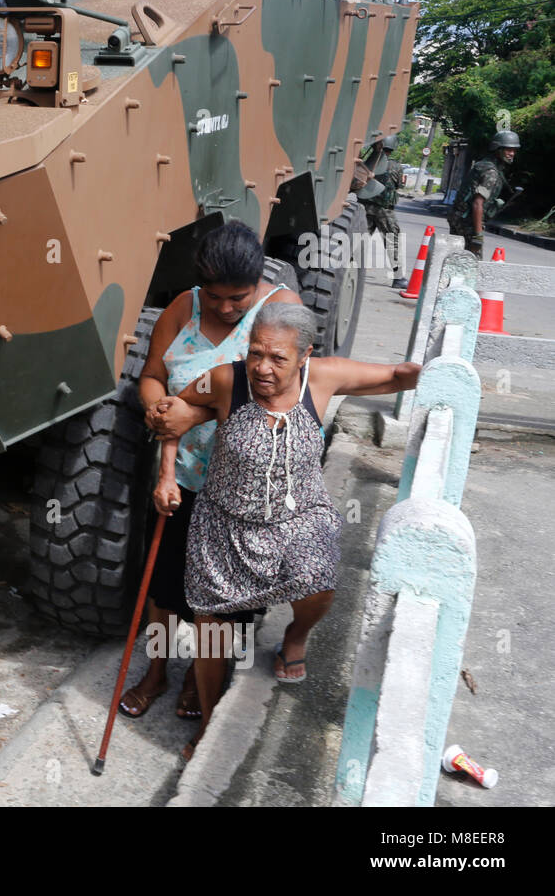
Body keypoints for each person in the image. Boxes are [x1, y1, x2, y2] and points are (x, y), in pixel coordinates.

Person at [152, 303, 420, 759]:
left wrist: (427, 371)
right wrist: (166, 476)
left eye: (277, 358)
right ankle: (211, 721)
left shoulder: (322, 377)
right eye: (256, 353)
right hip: (224, 521)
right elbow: (169, 412)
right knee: (211, 629)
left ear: (304, 355)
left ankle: (294, 636)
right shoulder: (224, 379)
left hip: (299, 517)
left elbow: (397, 378)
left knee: (320, 587)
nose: (262, 367)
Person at [118, 220, 302, 721]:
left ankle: (204, 681)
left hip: (241, 490)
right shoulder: (184, 306)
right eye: (215, 296)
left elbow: (284, 398)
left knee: (218, 601)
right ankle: (157, 671)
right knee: (163, 588)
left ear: (257, 283)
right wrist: (159, 408)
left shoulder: (282, 313)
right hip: (178, 478)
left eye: (237, 297)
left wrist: (192, 413)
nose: (224, 308)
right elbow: (154, 375)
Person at [448, 130, 520, 259]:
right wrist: (478, 234)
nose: (512, 154)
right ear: (497, 149)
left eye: (514, 150)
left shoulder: (484, 165)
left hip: (458, 218)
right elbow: (478, 203)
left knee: (455, 260)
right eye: (508, 150)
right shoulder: (491, 172)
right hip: (468, 223)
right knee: (473, 262)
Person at [357, 135, 408, 289]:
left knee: (358, 240)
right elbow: (399, 185)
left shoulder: (368, 162)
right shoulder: (396, 166)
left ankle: (348, 270)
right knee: (393, 241)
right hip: (384, 211)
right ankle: (398, 278)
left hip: (365, 207)